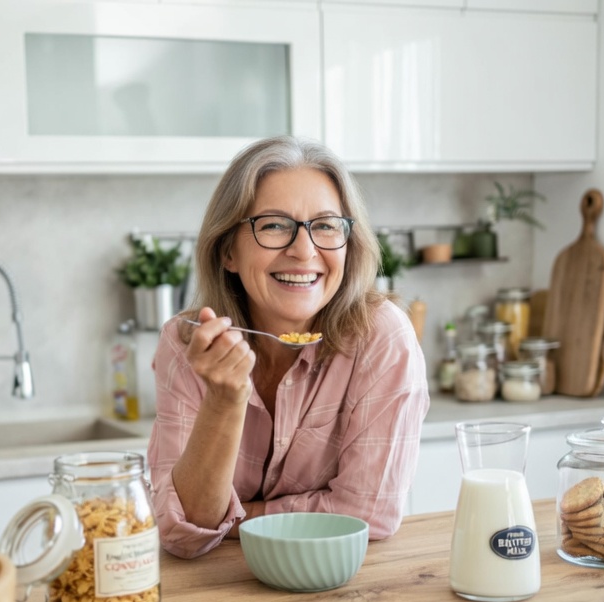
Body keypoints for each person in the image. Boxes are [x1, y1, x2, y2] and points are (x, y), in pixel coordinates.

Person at [148, 135, 429, 559]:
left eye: (326, 225)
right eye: (275, 225)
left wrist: (236, 518)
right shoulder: (187, 343)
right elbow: (184, 532)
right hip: (212, 599)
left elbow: (369, 515)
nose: (304, 251)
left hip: (339, 587)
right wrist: (224, 400)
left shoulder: (383, 337)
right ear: (228, 251)